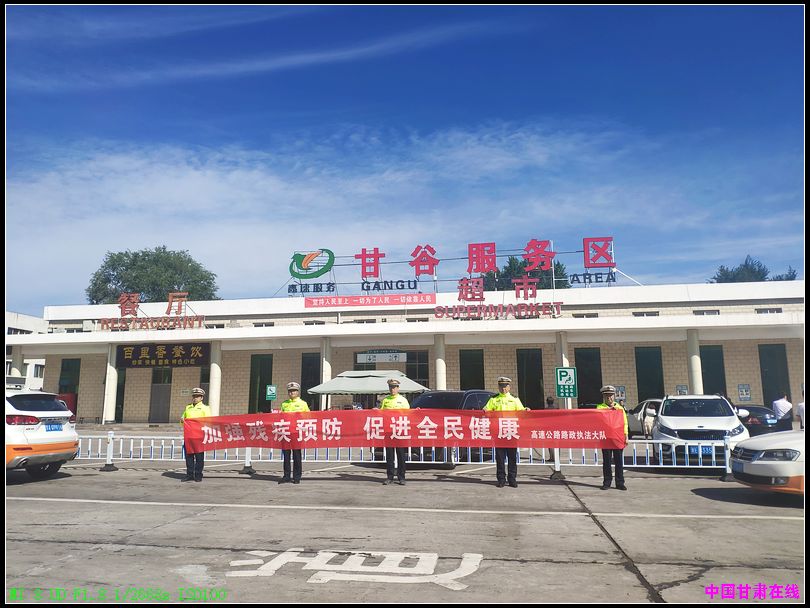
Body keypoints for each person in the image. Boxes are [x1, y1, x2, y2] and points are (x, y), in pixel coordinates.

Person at [483, 377, 527, 488]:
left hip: (511, 431)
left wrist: (526, 410)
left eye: (505, 386)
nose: (503, 389)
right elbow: (487, 410)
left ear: (509, 387)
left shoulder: (514, 399)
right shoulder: (494, 399)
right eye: (501, 386)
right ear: (498, 387)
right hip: (499, 432)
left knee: (512, 457)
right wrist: (485, 411)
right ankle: (501, 479)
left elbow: (521, 412)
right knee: (500, 457)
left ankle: (512, 479)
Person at [378, 378, 410, 486]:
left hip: (399, 430)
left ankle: (402, 477)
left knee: (401, 455)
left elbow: (408, 414)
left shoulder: (403, 400)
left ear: (398, 388)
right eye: (391, 387)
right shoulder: (385, 400)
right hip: (388, 431)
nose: (392, 389)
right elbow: (381, 414)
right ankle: (390, 477)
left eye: (394, 387)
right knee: (389, 456)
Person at [596, 385, 628, 491]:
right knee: (607, 461)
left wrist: (626, 436)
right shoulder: (600, 408)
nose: (609, 398)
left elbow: (624, 423)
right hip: (606, 438)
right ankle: (607, 482)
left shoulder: (620, 408)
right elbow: (598, 419)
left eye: (611, 395)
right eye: (606, 396)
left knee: (619, 461)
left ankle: (620, 483)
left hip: (618, 438)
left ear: (614, 396)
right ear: (603, 397)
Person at [279, 382, 310, 484]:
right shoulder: (284, 404)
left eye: (294, 391)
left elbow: (308, 417)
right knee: (286, 456)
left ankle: (297, 477)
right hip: (286, 432)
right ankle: (286, 476)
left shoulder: (303, 404)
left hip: (296, 432)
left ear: (298, 392)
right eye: (290, 391)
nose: (292, 393)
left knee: (297, 455)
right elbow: (280, 417)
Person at [181, 387, 211, 482]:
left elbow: (208, 422)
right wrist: (182, 420)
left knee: (199, 457)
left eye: (197, 396)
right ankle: (189, 474)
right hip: (189, 436)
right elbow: (182, 419)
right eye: (194, 396)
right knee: (189, 457)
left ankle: (198, 475)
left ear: (201, 398)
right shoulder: (188, 407)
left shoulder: (205, 408)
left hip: (199, 436)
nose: (195, 398)